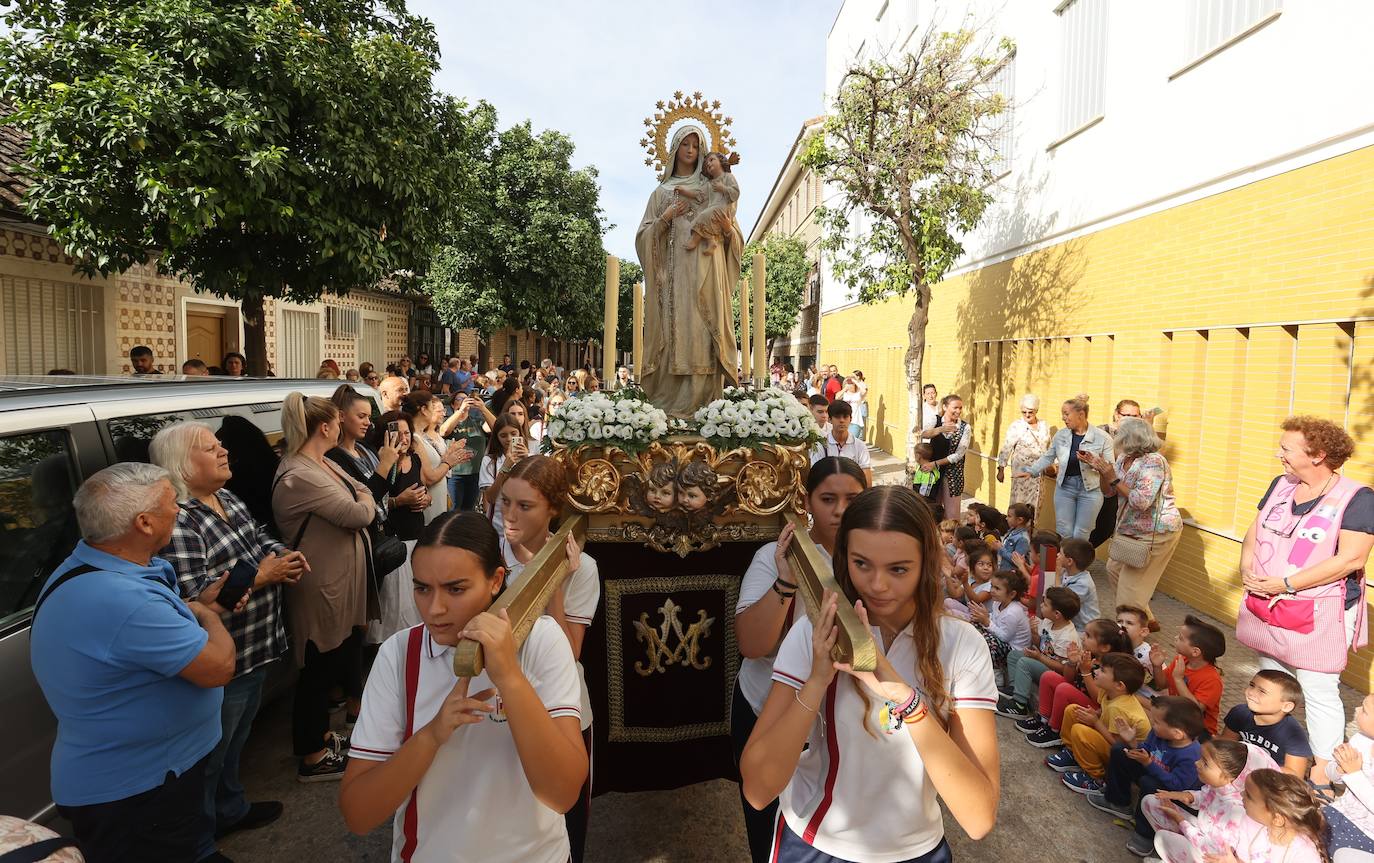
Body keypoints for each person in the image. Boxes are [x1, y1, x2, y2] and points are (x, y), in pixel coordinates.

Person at [740, 486, 999, 861]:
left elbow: (977, 818)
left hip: (917, 850)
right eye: (862, 564)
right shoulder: (817, 632)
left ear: (927, 563)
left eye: (898, 569)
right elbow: (758, 789)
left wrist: (905, 697)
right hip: (816, 845)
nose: (878, 585)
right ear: (844, 559)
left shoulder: (962, 645)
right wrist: (816, 682)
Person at [338, 512, 588, 863]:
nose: (435, 609)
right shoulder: (399, 655)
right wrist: (432, 735)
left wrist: (509, 679)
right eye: (422, 587)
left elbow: (562, 793)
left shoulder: (541, 642)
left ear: (496, 580)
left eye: (456, 589)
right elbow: (359, 813)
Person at [30, 463, 235, 863]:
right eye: (172, 503)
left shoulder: (90, 568)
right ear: (143, 523)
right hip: (139, 794)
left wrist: (191, 608)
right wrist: (209, 616)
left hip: (141, 785)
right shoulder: (122, 599)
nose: (180, 509)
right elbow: (218, 667)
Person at [152, 421, 307, 842]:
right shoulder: (180, 519)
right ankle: (202, 839)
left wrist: (283, 556)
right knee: (209, 757)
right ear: (181, 466)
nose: (224, 452)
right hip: (223, 661)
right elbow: (193, 598)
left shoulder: (224, 497)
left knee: (236, 740)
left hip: (255, 649)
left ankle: (230, 807)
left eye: (221, 445)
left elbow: (258, 538)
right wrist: (263, 575)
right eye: (211, 448)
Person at [733, 457, 868, 862]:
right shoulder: (773, 555)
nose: (840, 509)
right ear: (806, 502)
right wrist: (786, 580)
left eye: (851, 499)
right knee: (766, 821)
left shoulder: (871, 563)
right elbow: (752, 644)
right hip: (765, 707)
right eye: (828, 498)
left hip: (838, 722)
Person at [1237, 415, 1374, 790]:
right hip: (1269, 605)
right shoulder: (1282, 484)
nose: (1278, 454)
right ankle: (1276, 751)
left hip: (1318, 612)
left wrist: (1284, 583)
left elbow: (1351, 560)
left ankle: (1323, 771)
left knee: (1318, 690)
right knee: (1275, 682)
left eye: (1286, 448)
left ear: (1318, 455)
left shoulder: (1357, 498)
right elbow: (1256, 526)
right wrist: (1247, 566)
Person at [498, 456, 600, 863]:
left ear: (553, 509)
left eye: (525, 506)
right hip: (503, 707)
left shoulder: (582, 567)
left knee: (564, 822)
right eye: (506, 502)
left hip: (563, 709)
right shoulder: (490, 557)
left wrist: (554, 581)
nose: (510, 514)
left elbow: (569, 650)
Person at [272, 393, 378, 782]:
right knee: (316, 669)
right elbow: (358, 511)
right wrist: (366, 499)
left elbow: (361, 489)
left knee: (331, 662)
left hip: (336, 583)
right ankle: (313, 756)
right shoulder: (300, 473)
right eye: (338, 420)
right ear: (326, 427)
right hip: (319, 587)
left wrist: (365, 495)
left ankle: (322, 735)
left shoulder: (318, 463)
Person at [636, 126, 738, 416]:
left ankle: (705, 405)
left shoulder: (716, 185)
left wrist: (729, 230)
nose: (691, 150)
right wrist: (665, 219)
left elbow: (732, 229)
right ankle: (667, 404)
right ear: (674, 149)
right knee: (673, 332)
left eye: (697, 145)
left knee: (704, 331)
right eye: (685, 144)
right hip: (673, 280)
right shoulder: (661, 192)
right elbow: (644, 236)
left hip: (707, 273)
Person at [1079, 416, 1183, 625]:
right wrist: (1102, 471)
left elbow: (1141, 501)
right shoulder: (1124, 458)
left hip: (1155, 532)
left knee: (1130, 589)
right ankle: (1145, 619)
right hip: (1129, 530)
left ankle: (1129, 633)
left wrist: (1113, 477)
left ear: (1130, 438)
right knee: (1113, 569)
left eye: (1118, 434)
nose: (1115, 436)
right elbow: (1108, 492)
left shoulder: (1154, 462)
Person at [1088, 696, 1206, 850]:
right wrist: (1132, 742)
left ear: (1177, 733)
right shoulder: (1159, 734)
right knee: (1119, 750)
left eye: (1156, 722)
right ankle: (1117, 801)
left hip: (1173, 795)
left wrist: (1149, 763)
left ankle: (1145, 834)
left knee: (1149, 783)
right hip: (1151, 772)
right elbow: (1146, 749)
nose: (1152, 723)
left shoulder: (1191, 755)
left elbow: (1177, 785)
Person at [1140, 739, 1277, 863]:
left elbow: (1210, 849)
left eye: (1205, 763)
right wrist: (1186, 796)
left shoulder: (1238, 810)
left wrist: (1180, 821)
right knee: (1152, 803)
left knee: (1162, 839)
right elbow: (1206, 796)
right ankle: (1175, 855)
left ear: (1229, 777)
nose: (1197, 763)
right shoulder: (1224, 787)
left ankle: (1175, 856)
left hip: (1210, 853)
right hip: (1202, 832)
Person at [1045, 652, 1151, 793]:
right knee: (1073, 711)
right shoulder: (1109, 692)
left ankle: (1096, 777)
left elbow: (1117, 744)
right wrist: (1096, 714)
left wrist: (1095, 721)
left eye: (1102, 670)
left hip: (1124, 758)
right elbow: (1104, 707)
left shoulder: (1120, 708)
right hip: (1110, 738)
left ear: (1119, 685)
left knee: (1080, 731)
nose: (1096, 671)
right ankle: (1072, 753)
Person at [1017, 396, 1113, 540]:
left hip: (1091, 490)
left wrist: (1094, 463)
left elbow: (1110, 466)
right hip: (1065, 487)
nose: (1063, 418)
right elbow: (1049, 456)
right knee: (1064, 531)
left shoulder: (1103, 438)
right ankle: (1062, 562)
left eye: (1066, 414)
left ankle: (1075, 562)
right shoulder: (1061, 435)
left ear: (1081, 414)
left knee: (1082, 532)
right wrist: (1032, 471)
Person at [997, 586, 1081, 721]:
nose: (1041, 605)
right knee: (1014, 655)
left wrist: (1039, 657)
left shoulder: (1067, 637)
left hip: (1054, 674)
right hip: (1044, 663)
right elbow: (1040, 645)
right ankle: (1015, 688)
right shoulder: (1049, 621)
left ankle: (1019, 705)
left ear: (1057, 614)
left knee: (1025, 662)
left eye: (1045, 604)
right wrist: (1035, 633)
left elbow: (1063, 669)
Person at [1219, 670, 1312, 779]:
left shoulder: (1293, 734)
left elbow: (1295, 775)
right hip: (1236, 774)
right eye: (1252, 685)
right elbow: (1225, 745)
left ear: (1286, 706)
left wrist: (1255, 767)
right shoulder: (1239, 713)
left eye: (1262, 691)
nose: (1251, 692)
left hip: (1270, 784)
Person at [1150, 615, 1227, 737]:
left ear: (1195, 651)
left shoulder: (1212, 679)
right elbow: (1161, 684)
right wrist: (1157, 666)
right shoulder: (1181, 661)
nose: (1176, 638)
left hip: (1197, 730)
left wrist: (1178, 679)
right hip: (1175, 719)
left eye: (1180, 638)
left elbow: (1194, 710)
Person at [403, 391, 468, 524]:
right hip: (427, 510)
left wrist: (451, 454)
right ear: (424, 410)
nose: (440, 413)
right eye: (433, 408)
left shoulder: (420, 436)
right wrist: (449, 463)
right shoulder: (415, 438)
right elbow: (429, 477)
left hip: (437, 503)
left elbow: (435, 465)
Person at [1089, 399, 1148, 547]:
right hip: (1093, 489)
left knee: (1105, 530)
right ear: (1116, 415)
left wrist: (1146, 428)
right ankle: (1059, 562)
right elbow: (1103, 459)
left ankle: (1073, 561)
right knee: (1083, 531)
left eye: (1135, 416)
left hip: (1118, 492)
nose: (1130, 420)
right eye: (1126, 415)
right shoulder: (1102, 431)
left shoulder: (1139, 439)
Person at [1325, 694, 1374, 859]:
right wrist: (1340, 768)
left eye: (1365, 710)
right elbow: (1330, 774)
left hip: (1368, 834)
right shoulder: (1360, 740)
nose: (1358, 709)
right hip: (1338, 811)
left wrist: (1353, 773)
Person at [996, 394, 1050, 507]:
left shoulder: (1044, 425)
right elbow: (1006, 447)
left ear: (1036, 411)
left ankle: (1032, 524)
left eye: (1030, 412)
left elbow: (1049, 447)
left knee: (1036, 502)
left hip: (1039, 471)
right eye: (1024, 412)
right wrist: (1001, 470)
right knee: (1019, 503)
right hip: (1021, 470)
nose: (1027, 415)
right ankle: (1016, 524)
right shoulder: (1017, 426)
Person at [480, 414, 530, 536]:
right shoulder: (489, 461)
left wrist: (527, 461)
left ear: (520, 433)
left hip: (525, 523)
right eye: (503, 435)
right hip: (498, 526)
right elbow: (490, 498)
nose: (508, 439)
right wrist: (505, 467)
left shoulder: (530, 458)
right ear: (496, 437)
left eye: (513, 434)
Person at [924, 394, 971, 520]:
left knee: (952, 515)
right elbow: (923, 433)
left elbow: (958, 455)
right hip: (933, 473)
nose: (958, 411)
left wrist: (934, 464)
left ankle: (951, 538)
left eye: (960, 408)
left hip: (953, 473)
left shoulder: (964, 427)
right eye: (955, 407)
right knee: (932, 511)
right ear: (945, 407)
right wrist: (940, 429)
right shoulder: (935, 420)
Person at [446, 392, 494, 512]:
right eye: (459, 399)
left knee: (469, 510)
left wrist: (483, 408)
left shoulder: (477, 421)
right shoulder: (448, 420)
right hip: (455, 474)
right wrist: (460, 411)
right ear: (453, 404)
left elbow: (496, 427)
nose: (464, 401)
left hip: (475, 473)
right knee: (453, 509)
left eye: (466, 398)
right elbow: (444, 431)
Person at [809, 400, 873, 484]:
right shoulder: (821, 445)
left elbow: (866, 475)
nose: (842, 420)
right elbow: (815, 476)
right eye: (837, 417)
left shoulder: (859, 446)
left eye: (845, 416)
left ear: (851, 419)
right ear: (830, 419)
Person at [1056, 537, 1101, 632]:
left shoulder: (1083, 584)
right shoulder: (1065, 571)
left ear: (1069, 561)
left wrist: (1056, 575)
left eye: (1060, 553)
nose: (1057, 555)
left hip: (1084, 629)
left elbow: (1061, 602)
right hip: (1071, 623)